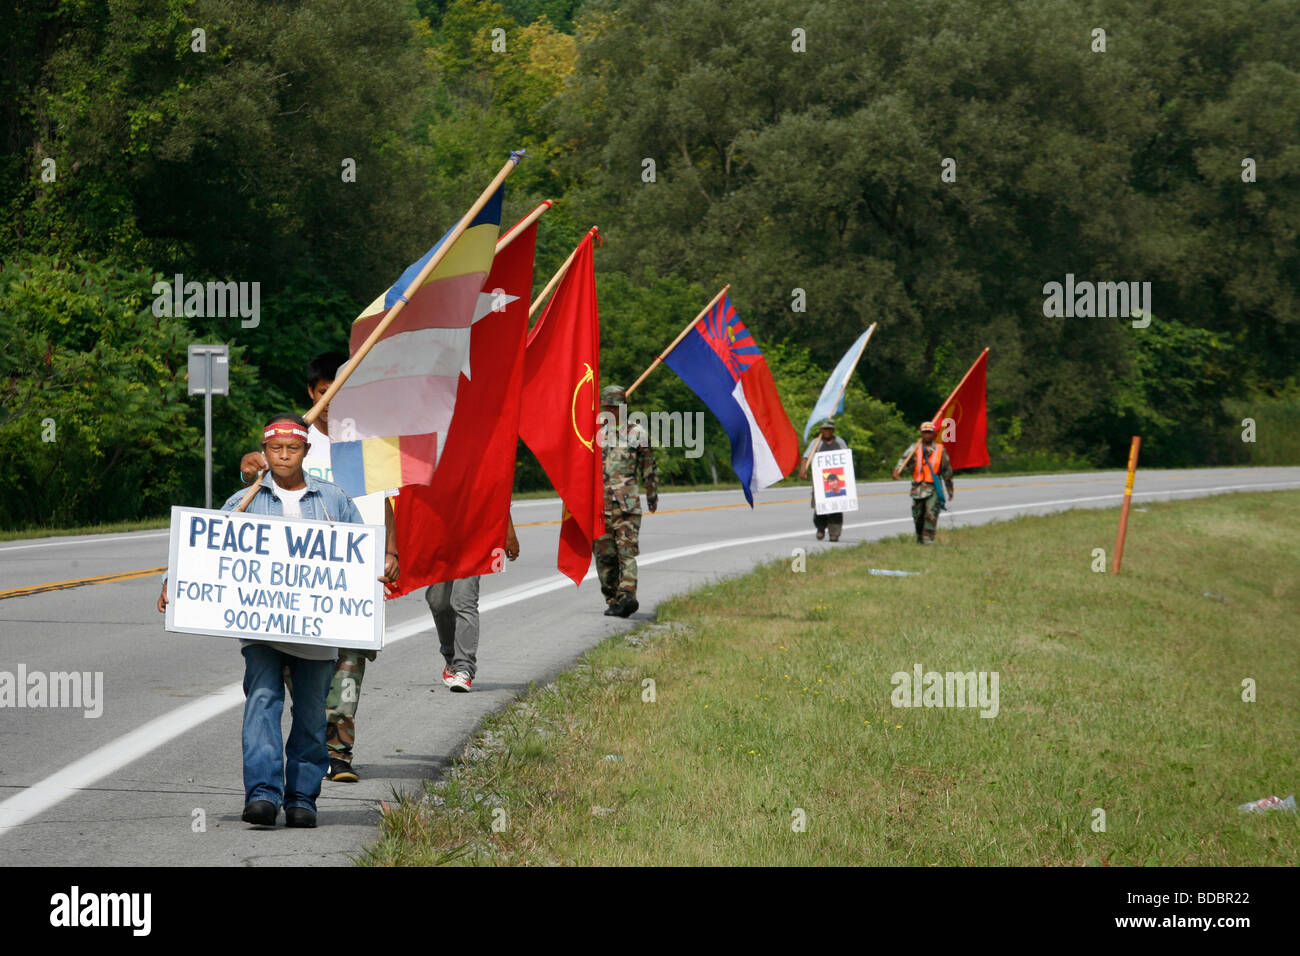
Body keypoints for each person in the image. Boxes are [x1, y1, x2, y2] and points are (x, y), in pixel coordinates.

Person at [157, 413, 385, 828]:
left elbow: (364, 552)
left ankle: (302, 797)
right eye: (275, 448)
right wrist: (174, 580)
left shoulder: (334, 500)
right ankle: (262, 793)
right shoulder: (245, 499)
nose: (283, 456)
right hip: (259, 627)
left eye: (292, 448)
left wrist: (384, 567)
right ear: (264, 452)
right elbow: (206, 545)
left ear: (306, 452)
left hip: (318, 633)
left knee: (312, 714)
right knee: (262, 703)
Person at [237, 352, 399, 784]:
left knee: (349, 670)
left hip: (352, 580)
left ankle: (338, 753)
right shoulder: (295, 440)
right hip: (293, 591)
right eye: (325, 392)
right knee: (301, 678)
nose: (331, 402)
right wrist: (252, 463)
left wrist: (391, 553)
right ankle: (309, 746)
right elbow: (255, 483)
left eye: (341, 392)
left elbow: (385, 502)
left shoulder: (370, 442)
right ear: (312, 392)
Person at [425, 514, 520, 693]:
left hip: (475, 535)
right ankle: (451, 657)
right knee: (438, 601)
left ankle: (464, 668)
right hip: (441, 534)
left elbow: (497, 490)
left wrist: (509, 531)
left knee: (463, 600)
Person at [594, 385, 657, 618]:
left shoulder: (638, 433)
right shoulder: (594, 432)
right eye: (606, 407)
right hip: (599, 507)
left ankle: (628, 596)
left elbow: (649, 467)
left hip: (627, 504)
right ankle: (613, 599)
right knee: (604, 556)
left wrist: (652, 495)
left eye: (612, 407)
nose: (608, 410)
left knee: (626, 552)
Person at [891, 420, 955, 544]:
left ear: (934, 434)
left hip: (933, 488)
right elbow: (904, 461)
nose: (927, 435)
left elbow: (947, 471)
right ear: (921, 434)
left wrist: (950, 489)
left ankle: (928, 540)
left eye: (929, 433)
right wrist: (897, 471)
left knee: (931, 514)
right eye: (925, 433)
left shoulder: (940, 450)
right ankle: (920, 536)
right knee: (918, 515)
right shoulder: (914, 449)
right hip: (918, 488)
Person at [797, 418, 849, 541]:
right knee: (820, 506)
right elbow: (806, 457)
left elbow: (846, 457)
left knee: (836, 507)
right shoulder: (816, 442)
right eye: (825, 428)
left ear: (833, 430)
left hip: (837, 480)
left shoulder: (840, 442)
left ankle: (834, 532)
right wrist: (803, 470)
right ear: (821, 430)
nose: (827, 431)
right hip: (821, 481)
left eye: (829, 429)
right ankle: (820, 528)